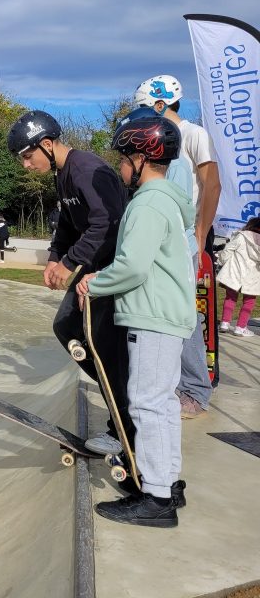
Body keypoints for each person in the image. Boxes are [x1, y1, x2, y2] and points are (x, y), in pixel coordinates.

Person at [76, 112, 195, 527]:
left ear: (144, 158)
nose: (122, 167)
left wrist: (93, 282)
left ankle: (157, 500)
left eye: (125, 159)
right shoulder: (169, 201)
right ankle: (166, 484)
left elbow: (133, 267)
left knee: (146, 404)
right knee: (160, 405)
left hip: (153, 316)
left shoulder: (148, 203)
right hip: (165, 315)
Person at [7, 109, 133, 455]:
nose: (26, 166)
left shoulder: (89, 170)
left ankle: (124, 420)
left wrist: (71, 263)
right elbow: (67, 224)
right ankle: (122, 398)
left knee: (105, 351)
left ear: (47, 144)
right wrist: (54, 256)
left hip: (110, 274)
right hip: (93, 270)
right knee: (67, 327)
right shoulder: (63, 175)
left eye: (28, 156)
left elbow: (107, 224)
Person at [134, 75, 219, 417]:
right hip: (166, 232)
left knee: (183, 309)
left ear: (160, 104)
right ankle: (172, 381)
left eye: (144, 109)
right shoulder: (155, 139)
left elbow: (211, 185)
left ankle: (196, 389)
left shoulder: (192, 134)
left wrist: (200, 236)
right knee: (164, 307)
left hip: (188, 234)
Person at [216, 217, 260, 338]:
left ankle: (225, 323)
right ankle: (240, 327)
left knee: (230, 298)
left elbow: (227, 250)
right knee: (249, 302)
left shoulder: (241, 236)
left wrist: (222, 261)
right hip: (253, 275)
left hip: (235, 271)